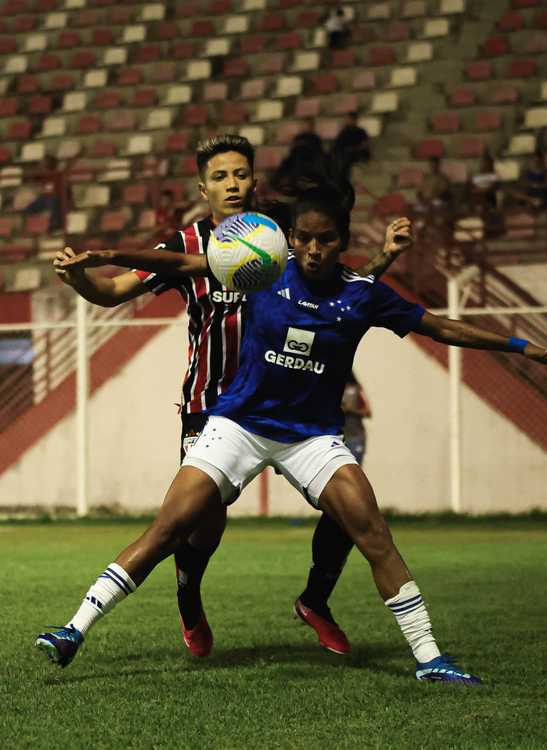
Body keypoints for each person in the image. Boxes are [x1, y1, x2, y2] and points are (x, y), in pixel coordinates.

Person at [40, 182, 547, 683]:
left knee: (372, 530)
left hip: (311, 437)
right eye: (304, 237)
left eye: (326, 239)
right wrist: (109, 255)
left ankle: (430, 659)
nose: (314, 248)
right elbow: (184, 261)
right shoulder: (261, 272)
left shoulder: (364, 294)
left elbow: (438, 326)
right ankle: (73, 630)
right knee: (168, 529)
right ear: (291, 239)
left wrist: (520, 347)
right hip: (238, 424)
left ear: (342, 241)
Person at [51, 135, 402, 658]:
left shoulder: (279, 236)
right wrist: (81, 278)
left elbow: (337, 283)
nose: (232, 184)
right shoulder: (186, 246)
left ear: (253, 181)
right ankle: (189, 595)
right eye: (220, 177)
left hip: (290, 407)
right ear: (203, 188)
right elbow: (113, 291)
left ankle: (316, 600)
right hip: (212, 405)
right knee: (199, 523)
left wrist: (382, 260)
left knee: (349, 508)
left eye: (240, 174)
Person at [25, 154, 71, 232]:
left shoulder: (58, 175)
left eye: (43, 162)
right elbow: (30, 177)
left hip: (56, 197)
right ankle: (35, 226)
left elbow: (66, 190)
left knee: (52, 203)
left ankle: (54, 226)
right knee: (30, 208)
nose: (41, 164)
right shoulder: (42, 174)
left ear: (49, 164)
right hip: (44, 198)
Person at [341, 371, 371, 465]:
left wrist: (350, 409)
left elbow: (367, 412)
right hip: (339, 438)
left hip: (355, 437)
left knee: (355, 469)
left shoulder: (357, 389)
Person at [332, 113, 370, 181]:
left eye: (349, 119)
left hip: (357, 153)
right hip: (345, 153)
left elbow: (365, 144)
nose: (347, 121)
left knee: (346, 160)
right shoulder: (344, 131)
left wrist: (355, 149)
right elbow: (338, 145)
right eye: (347, 119)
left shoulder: (360, 131)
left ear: (354, 120)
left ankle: (343, 179)